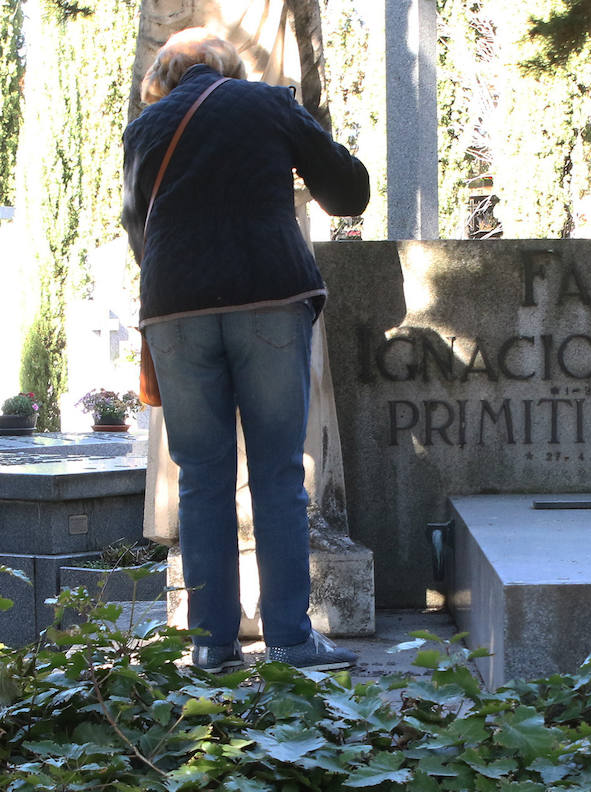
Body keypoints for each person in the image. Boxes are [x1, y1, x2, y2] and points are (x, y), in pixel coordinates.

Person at [121, 28, 369, 673]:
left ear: (165, 78)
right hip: (267, 300)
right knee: (278, 474)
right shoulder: (268, 103)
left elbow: (136, 229)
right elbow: (348, 195)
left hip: (176, 310)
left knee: (202, 480)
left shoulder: (146, 130)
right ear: (227, 66)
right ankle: (289, 639)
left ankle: (211, 645)